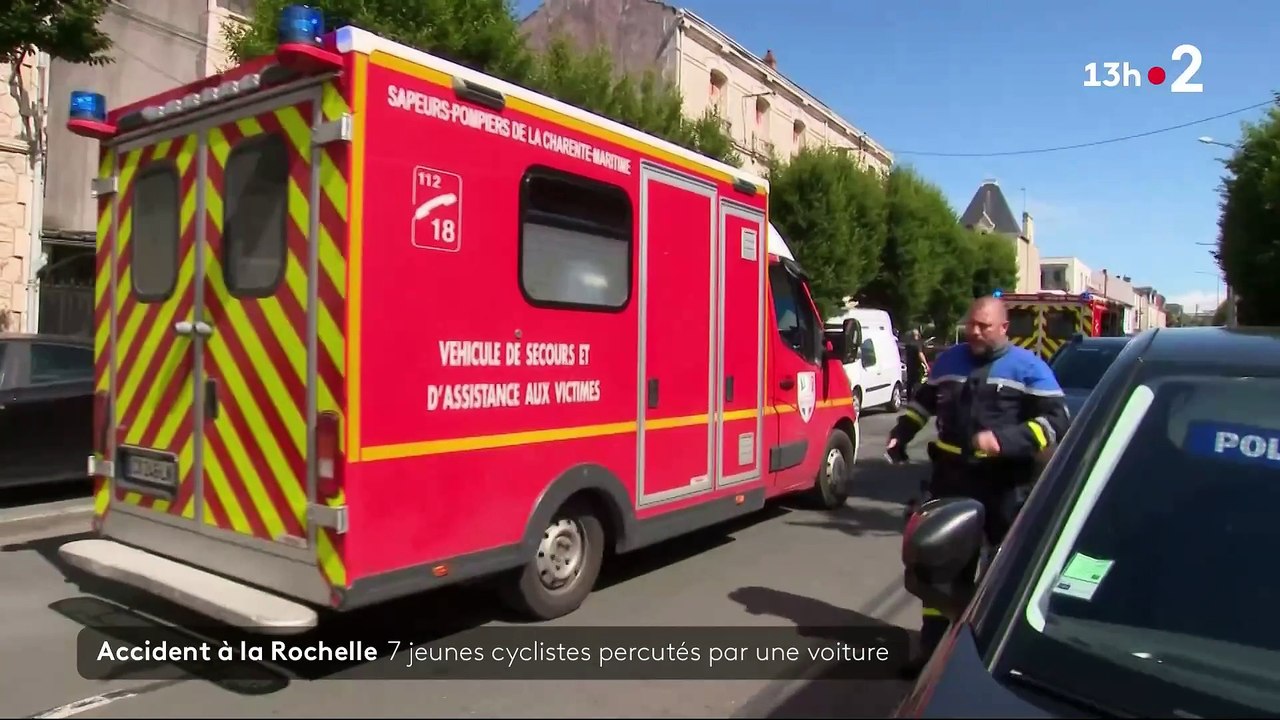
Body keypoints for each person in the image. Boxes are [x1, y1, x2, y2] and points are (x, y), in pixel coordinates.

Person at [885, 296, 1071, 677]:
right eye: (971, 324)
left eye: (984, 326)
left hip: (1004, 483)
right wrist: (901, 434)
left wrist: (1007, 440)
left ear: (1004, 328)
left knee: (1003, 570)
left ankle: (991, 656)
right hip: (951, 478)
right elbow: (923, 403)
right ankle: (932, 652)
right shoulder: (950, 360)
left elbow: (1057, 422)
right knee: (940, 567)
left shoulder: (1029, 368)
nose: (974, 332)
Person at [902, 329, 927, 401]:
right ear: (917, 335)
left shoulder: (908, 345)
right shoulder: (917, 344)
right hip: (917, 367)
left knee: (910, 383)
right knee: (917, 383)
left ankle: (909, 398)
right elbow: (920, 354)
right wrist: (926, 364)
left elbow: (905, 355)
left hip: (910, 366)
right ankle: (917, 398)